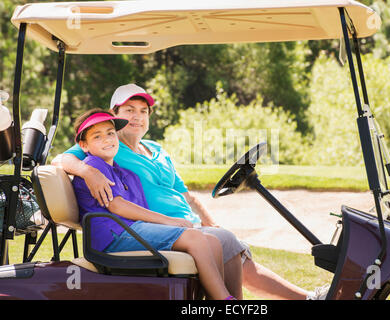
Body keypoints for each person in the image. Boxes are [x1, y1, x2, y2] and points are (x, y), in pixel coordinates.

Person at [52, 84, 327, 300]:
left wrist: (209, 222)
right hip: (146, 227)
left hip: (174, 224)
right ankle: (298, 299)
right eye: (129, 110)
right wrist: (87, 172)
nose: (137, 117)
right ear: (115, 114)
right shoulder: (106, 146)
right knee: (222, 241)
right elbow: (61, 160)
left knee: (220, 237)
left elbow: (186, 195)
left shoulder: (155, 150)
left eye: (143, 111)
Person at [70, 108, 236, 300]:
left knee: (212, 242)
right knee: (195, 238)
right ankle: (225, 300)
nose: (107, 139)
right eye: (97, 136)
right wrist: (168, 221)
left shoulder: (125, 173)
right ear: (84, 145)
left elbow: (138, 210)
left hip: (129, 231)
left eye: (110, 133)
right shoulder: (94, 165)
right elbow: (117, 206)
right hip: (112, 238)